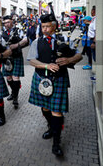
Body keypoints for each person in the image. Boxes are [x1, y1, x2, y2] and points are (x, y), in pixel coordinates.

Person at [27, 13, 82, 156]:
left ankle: (56, 142)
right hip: (41, 79)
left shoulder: (63, 39)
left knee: (56, 111)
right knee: (45, 108)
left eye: (48, 26)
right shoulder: (36, 42)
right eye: (43, 26)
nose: (45, 29)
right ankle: (51, 127)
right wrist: (46, 66)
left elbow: (79, 55)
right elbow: (32, 60)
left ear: (54, 26)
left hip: (58, 79)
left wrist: (69, 60)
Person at [1, 15, 29, 109]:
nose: (6, 24)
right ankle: (13, 92)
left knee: (15, 77)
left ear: (12, 22)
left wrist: (16, 45)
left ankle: (15, 98)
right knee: (8, 78)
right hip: (6, 58)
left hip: (16, 56)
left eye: (8, 22)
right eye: (4, 23)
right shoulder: (2, 33)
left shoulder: (18, 30)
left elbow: (25, 40)